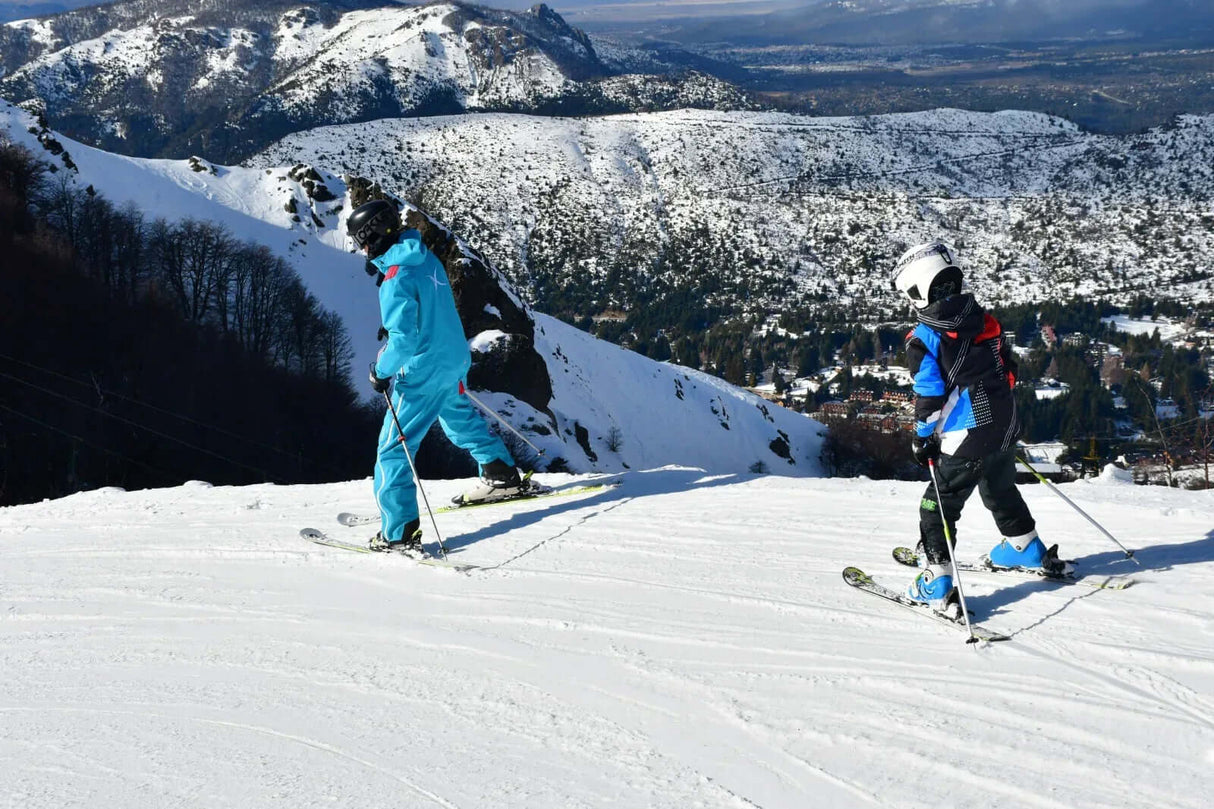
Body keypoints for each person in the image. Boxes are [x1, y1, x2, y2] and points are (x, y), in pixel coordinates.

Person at [891, 240, 1069, 613]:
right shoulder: (985, 320)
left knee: (936, 506)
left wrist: (922, 439)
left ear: (918, 292)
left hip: (966, 437)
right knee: (999, 487)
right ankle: (1023, 546)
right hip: (1004, 428)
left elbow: (929, 397)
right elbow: (1009, 368)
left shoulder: (925, 339)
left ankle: (936, 581)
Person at [346, 199, 525, 553]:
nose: (362, 249)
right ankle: (501, 474)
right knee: (457, 418)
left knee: (393, 449)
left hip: (424, 369)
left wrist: (379, 372)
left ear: (373, 235)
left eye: (361, 241)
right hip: (454, 358)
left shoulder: (395, 279)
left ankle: (399, 532)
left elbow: (404, 341)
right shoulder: (424, 256)